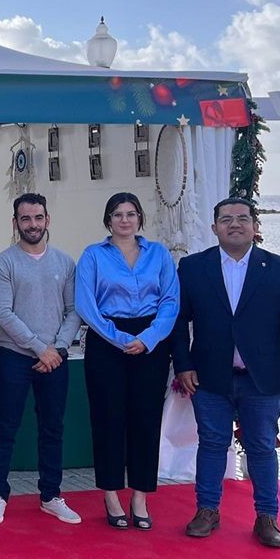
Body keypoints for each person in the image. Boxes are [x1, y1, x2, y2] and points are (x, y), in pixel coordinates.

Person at [173, 198, 280, 548]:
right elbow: (177, 323)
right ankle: (207, 511)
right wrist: (184, 365)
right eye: (226, 219)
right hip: (209, 378)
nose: (234, 224)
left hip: (262, 379)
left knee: (262, 447)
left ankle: (267, 517)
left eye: (242, 218)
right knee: (211, 445)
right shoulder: (192, 268)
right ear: (214, 227)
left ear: (254, 225)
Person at [75, 192, 179, 531]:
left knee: (146, 420)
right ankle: (111, 494)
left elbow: (170, 301)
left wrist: (148, 338)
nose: (125, 219)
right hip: (107, 341)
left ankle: (140, 496)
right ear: (108, 220)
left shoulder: (159, 254)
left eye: (131, 213)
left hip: (151, 341)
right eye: (117, 214)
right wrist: (120, 339)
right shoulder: (93, 255)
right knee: (108, 420)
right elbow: (85, 305)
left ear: (140, 219)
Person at [0, 194, 82, 525]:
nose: (33, 224)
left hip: (56, 357)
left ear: (47, 219)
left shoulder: (65, 263)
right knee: (6, 425)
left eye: (38, 217)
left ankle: (51, 495)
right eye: (25, 219)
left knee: (53, 427)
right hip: (16, 356)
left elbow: (73, 310)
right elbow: (2, 311)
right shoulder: (4, 263)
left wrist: (59, 348)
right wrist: (40, 348)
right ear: (15, 223)